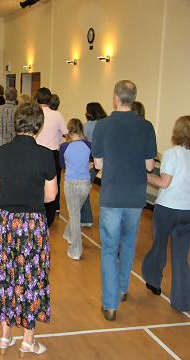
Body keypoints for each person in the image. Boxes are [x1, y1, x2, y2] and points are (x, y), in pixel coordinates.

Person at [0, 102, 57, 356]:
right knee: (30, 278)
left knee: (4, 274)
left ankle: (5, 336)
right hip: (31, 224)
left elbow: (1, 186)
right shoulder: (45, 155)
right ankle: (28, 340)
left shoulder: (1, 152)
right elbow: (50, 197)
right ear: (39, 125)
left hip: (3, 222)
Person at [92, 80, 157, 321]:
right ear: (134, 98)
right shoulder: (146, 126)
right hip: (136, 195)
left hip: (111, 195)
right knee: (128, 243)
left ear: (115, 98)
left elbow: (98, 165)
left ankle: (110, 306)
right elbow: (149, 166)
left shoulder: (103, 126)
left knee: (109, 248)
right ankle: (122, 289)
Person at [142, 116, 190, 312]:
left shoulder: (172, 153)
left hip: (167, 209)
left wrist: (143, 174)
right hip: (187, 211)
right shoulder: (175, 155)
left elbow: (164, 183)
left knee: (159, 246)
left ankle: (153, 280)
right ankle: (182, 301)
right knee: (180, 255)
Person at [59, 118, 92, 260]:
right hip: (85, 184)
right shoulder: (89, 145)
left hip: (71, 183)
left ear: (69, 130)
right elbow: (95, 162)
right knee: (75, 212)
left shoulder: (64, 146)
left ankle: (76, 250)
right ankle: (68, 234)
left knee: (74, 215)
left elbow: (62, 165)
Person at [35, 87, 68, 227]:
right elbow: (67, 133)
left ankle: (36, 214)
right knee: (53, 184)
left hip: (35, 152)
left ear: (37, 99)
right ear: (49, 100)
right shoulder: (57, 115)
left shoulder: (34, 113)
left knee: (35, 183)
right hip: (52, 154)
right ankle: (49, 217)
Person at [80, 102, 107, 227]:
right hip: (106, 160)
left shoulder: (87, 126)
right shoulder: (106, 124)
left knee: (83, 188)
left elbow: (81, 142)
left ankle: (86, 218)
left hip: (91, 160)